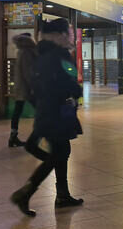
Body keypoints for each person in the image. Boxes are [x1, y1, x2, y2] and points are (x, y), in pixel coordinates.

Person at [11, 18, 83, 217]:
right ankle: (26, 192)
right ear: (59, 35)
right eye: (67, 33)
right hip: (58, 113)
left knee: (60, 152)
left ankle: (62, 195)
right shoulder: (61, 56)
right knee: (58, 155)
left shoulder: (41, 56)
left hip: (46, 111)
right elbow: (70, 81)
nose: (69, 37)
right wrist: (75, 90)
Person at [9, 33, 37, 147]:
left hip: (20, 87)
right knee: (40, 110)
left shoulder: (21, 51)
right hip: (26, 88)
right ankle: (40, 135)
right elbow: (28, 72)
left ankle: (13, 137)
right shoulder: (26, 52)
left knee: (17, 111)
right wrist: (33, 87)